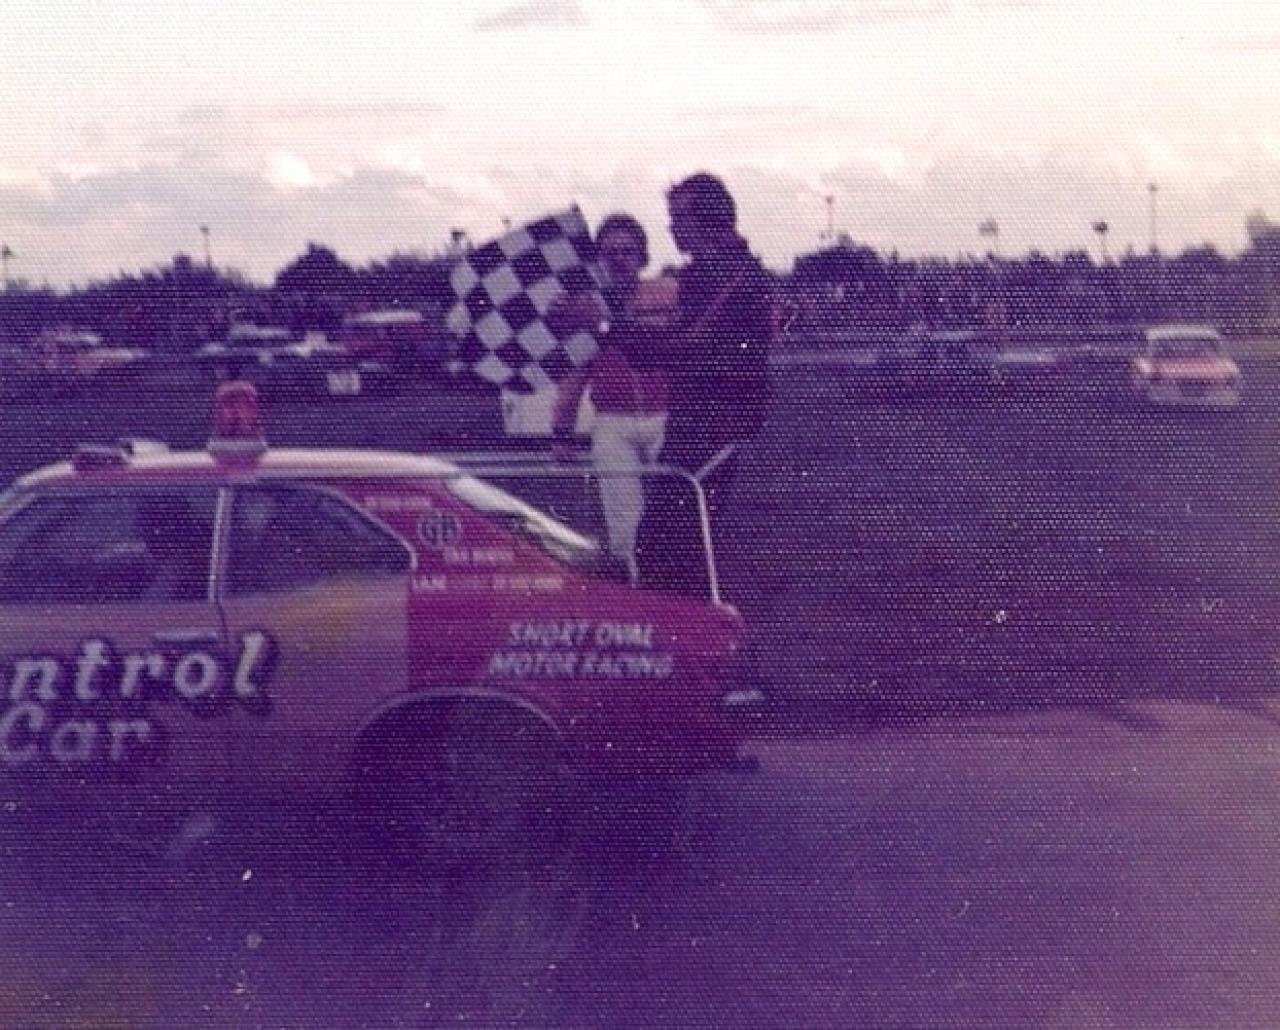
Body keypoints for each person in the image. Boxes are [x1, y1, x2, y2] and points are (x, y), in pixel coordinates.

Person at [636, 173, 773, 594]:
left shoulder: (719, 275)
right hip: (711, 427)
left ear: (709, 218)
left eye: (679, 217)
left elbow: (677, 348)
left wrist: (605, 327)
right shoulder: (738, 270)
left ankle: (685, 627)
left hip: (705, 431)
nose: (672, 228)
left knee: (663, 546)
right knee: (678, 543)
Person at [550, 215, 677, 582]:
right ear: (598, 260)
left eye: (627, 251)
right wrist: (562, 431)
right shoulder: (585, 306)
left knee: (675, 509)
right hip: (612, 423)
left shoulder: (669, 293)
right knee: (623, 516)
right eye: (610, 253)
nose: (619, 259)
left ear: (642, 256)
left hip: (666, 416)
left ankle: (680, 586)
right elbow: (573, 375)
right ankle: (636, 586)